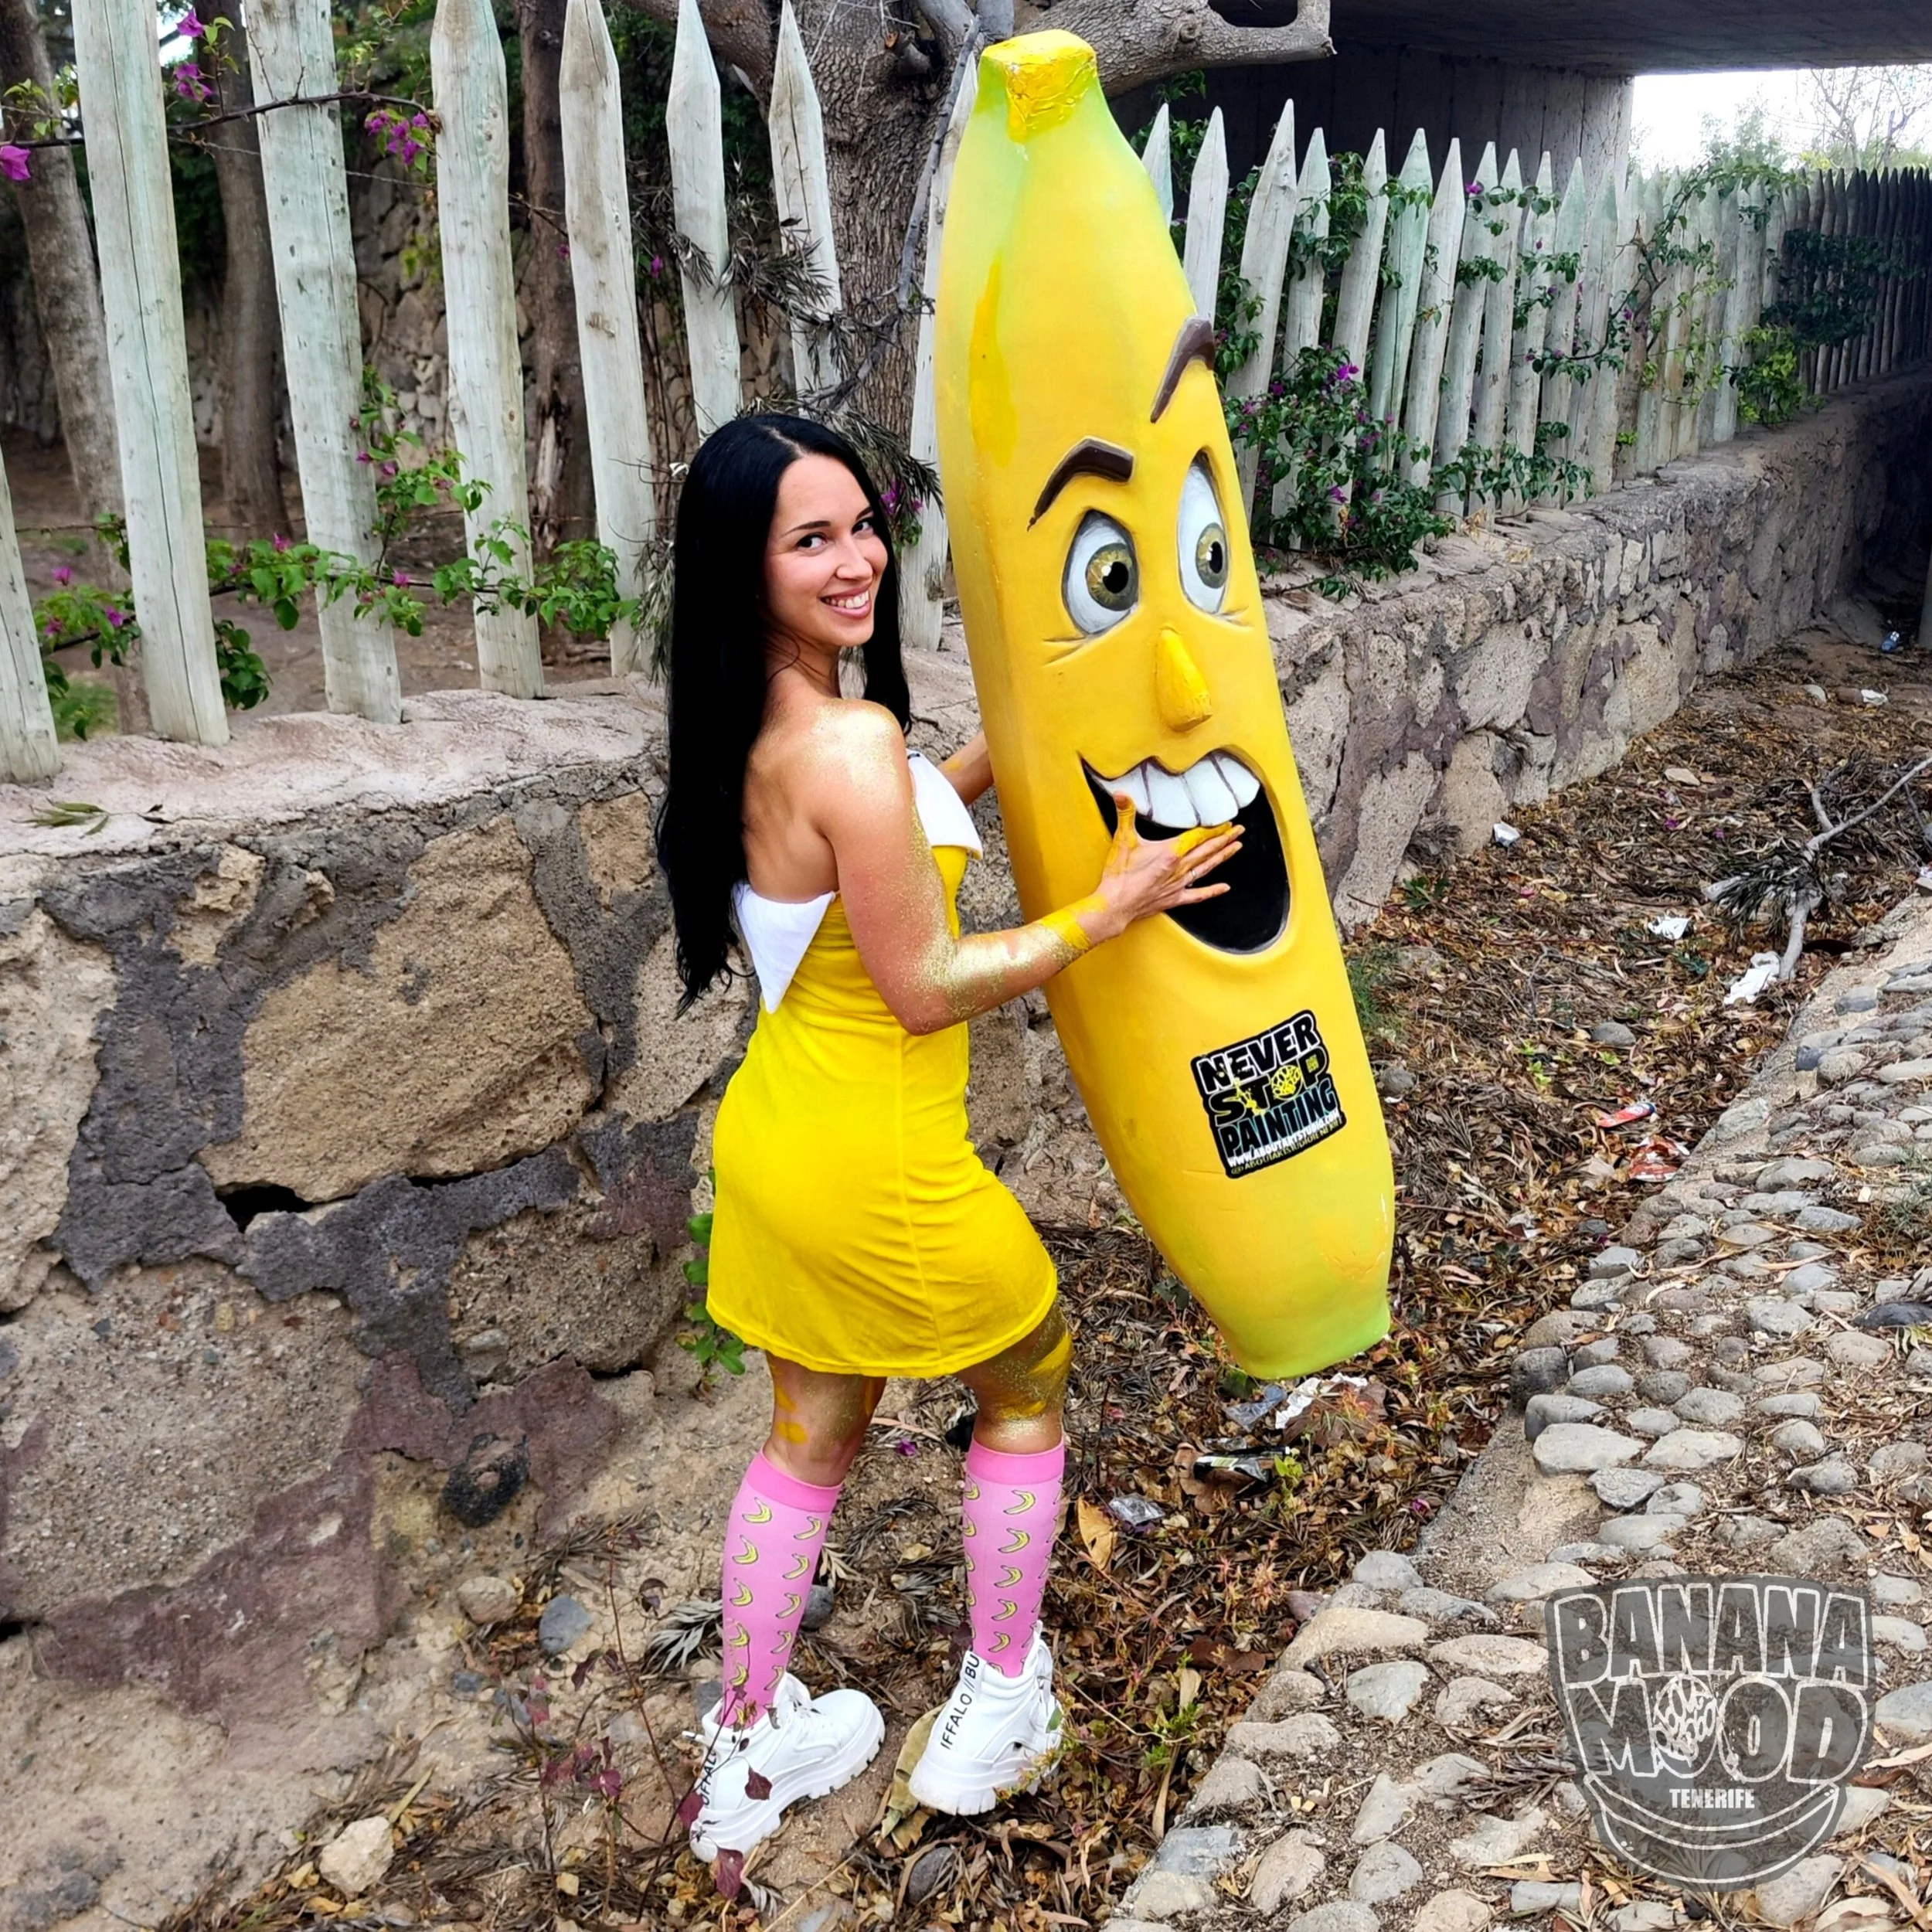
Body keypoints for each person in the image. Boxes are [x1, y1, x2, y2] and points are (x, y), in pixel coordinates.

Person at [654, 413, 1240, 1863]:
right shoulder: (848, 741)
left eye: (862, 523)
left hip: (782, 1142)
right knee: (1030, 1369)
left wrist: (1002, 753)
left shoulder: (755, 728)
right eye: (812, 540)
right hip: (884, 1161)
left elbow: (891, 833)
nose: (857, 559)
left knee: (810, 1434)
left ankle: (746, 1743)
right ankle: (999, 1706)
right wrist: (1101, 914)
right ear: (745, 567)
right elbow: (922, 983)